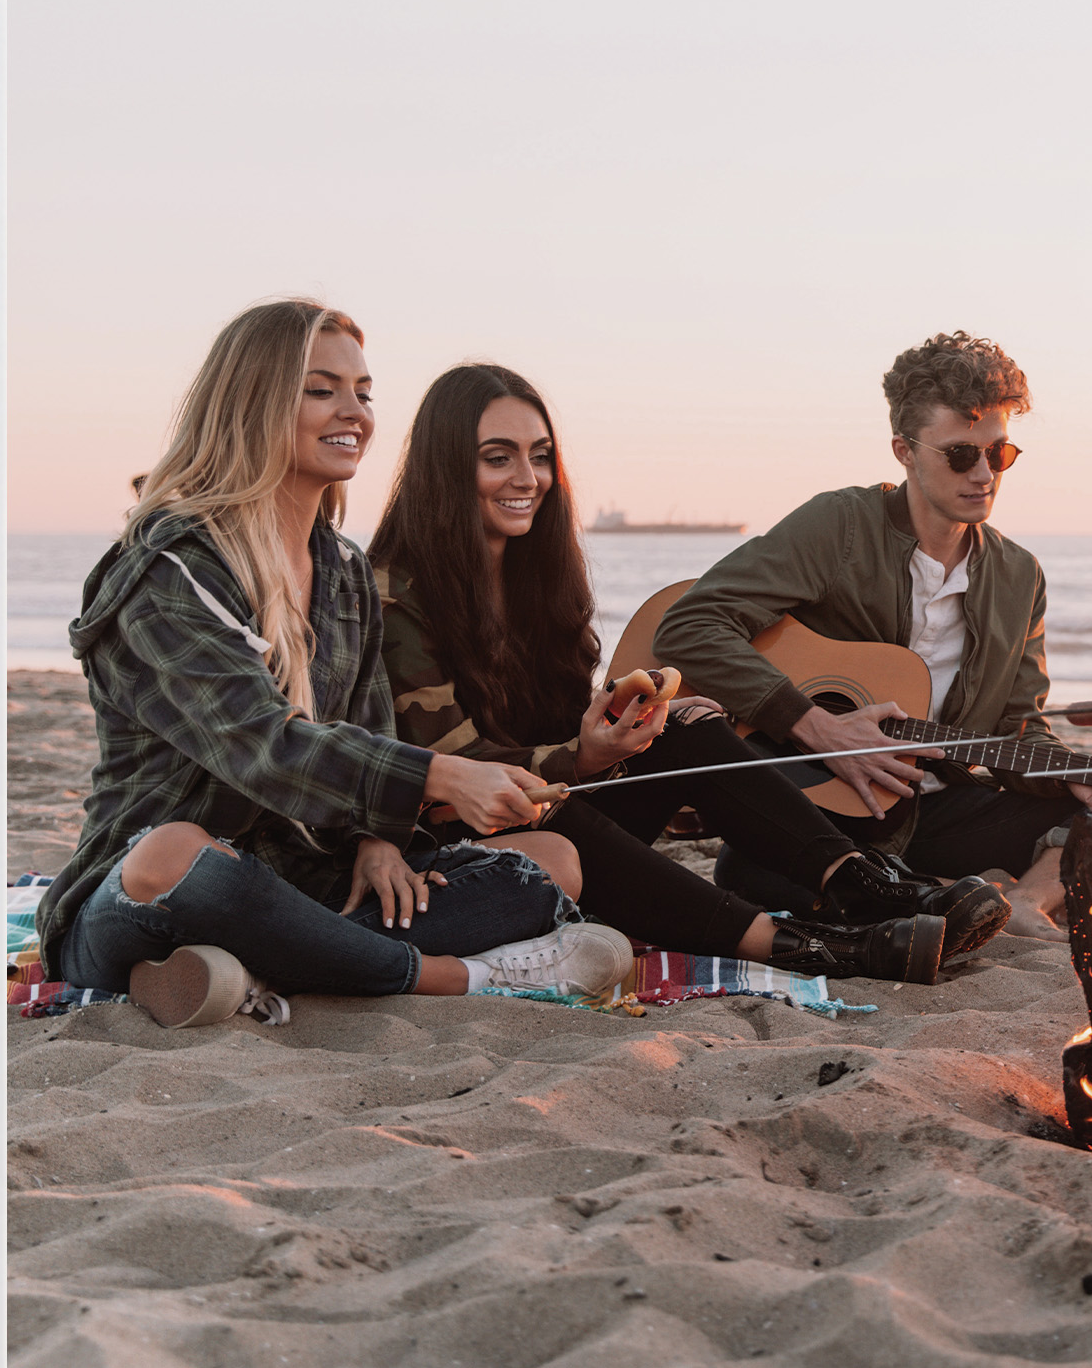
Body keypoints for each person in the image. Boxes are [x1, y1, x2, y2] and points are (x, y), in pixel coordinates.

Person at [40, 302, 627, 1023]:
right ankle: (451, 978)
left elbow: (370, 723)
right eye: (321, 389)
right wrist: (441, 775)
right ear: (252, 403)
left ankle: (248, 970)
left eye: (363, 392)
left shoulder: (345, 569)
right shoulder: (167, 570)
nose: (354, 412)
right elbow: (262, 746)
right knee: (176, 856)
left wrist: (379, 840)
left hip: (306, 879)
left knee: (551, 862)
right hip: (144, 890)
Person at [363, 361, 932, 980]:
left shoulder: (539, 582)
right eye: (497, 458)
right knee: (547, 805)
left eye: (540, 455)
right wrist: (580, 758)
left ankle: (859, 883)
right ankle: (794, 944)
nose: (528, 478)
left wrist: (631, 733)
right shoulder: (397, 594)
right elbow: (458, 764)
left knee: (685, 729)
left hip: (552, 806)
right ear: (445, 469)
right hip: (455, 841)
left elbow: (559, 728)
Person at [638, 329, 1070, 982]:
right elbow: (689, 626)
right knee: (748, 869)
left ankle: (1023, 903)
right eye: (960, 455)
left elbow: (1018, 731)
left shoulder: (1019, 577)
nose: (984, 475)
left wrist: (1074, 776)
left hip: (934, 808)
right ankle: (911, 893)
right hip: (821, 807)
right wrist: (816, 722)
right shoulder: (838, 528)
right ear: (904, 449)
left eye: (1000, 453)